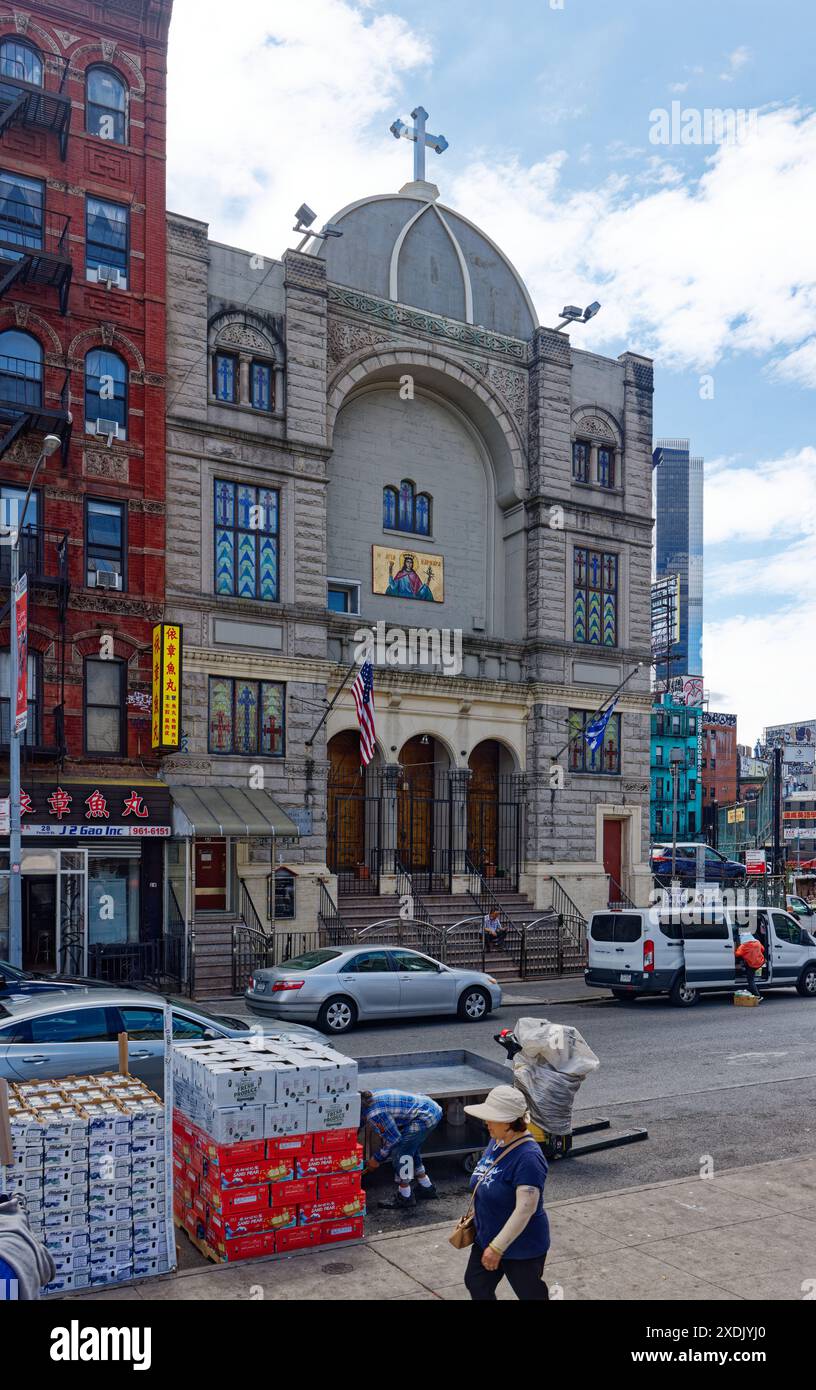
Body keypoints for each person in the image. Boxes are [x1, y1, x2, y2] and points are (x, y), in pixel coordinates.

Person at [461, 1085, 550, 1301]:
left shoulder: (529, 1158)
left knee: (531, 1295)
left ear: (509, 1122)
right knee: (476, 1282)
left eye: (492, 1118)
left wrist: (497, 1248)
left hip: (521, 1247)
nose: (486, 1122)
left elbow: (525, 1210)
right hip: (487, 1236)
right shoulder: (497, 1141)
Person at [360, 1089, 442, 1210]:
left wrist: (377, 1159)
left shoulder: (374, 1114)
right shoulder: (369, 1097)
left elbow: (394, 1139)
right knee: (411, 1149)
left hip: (424, 1116)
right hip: (430, 1108)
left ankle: (405, 1197)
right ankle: (426, 1187)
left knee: (402, 1154)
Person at [735, 926, 765, 999]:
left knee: (750, 980)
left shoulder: (744, 946)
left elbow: (737, 954)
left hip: (752, 964)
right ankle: (751, 990)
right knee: (751, 974)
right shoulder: (757, 942)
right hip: (760, 962)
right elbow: (763, 949)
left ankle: (758, 996)